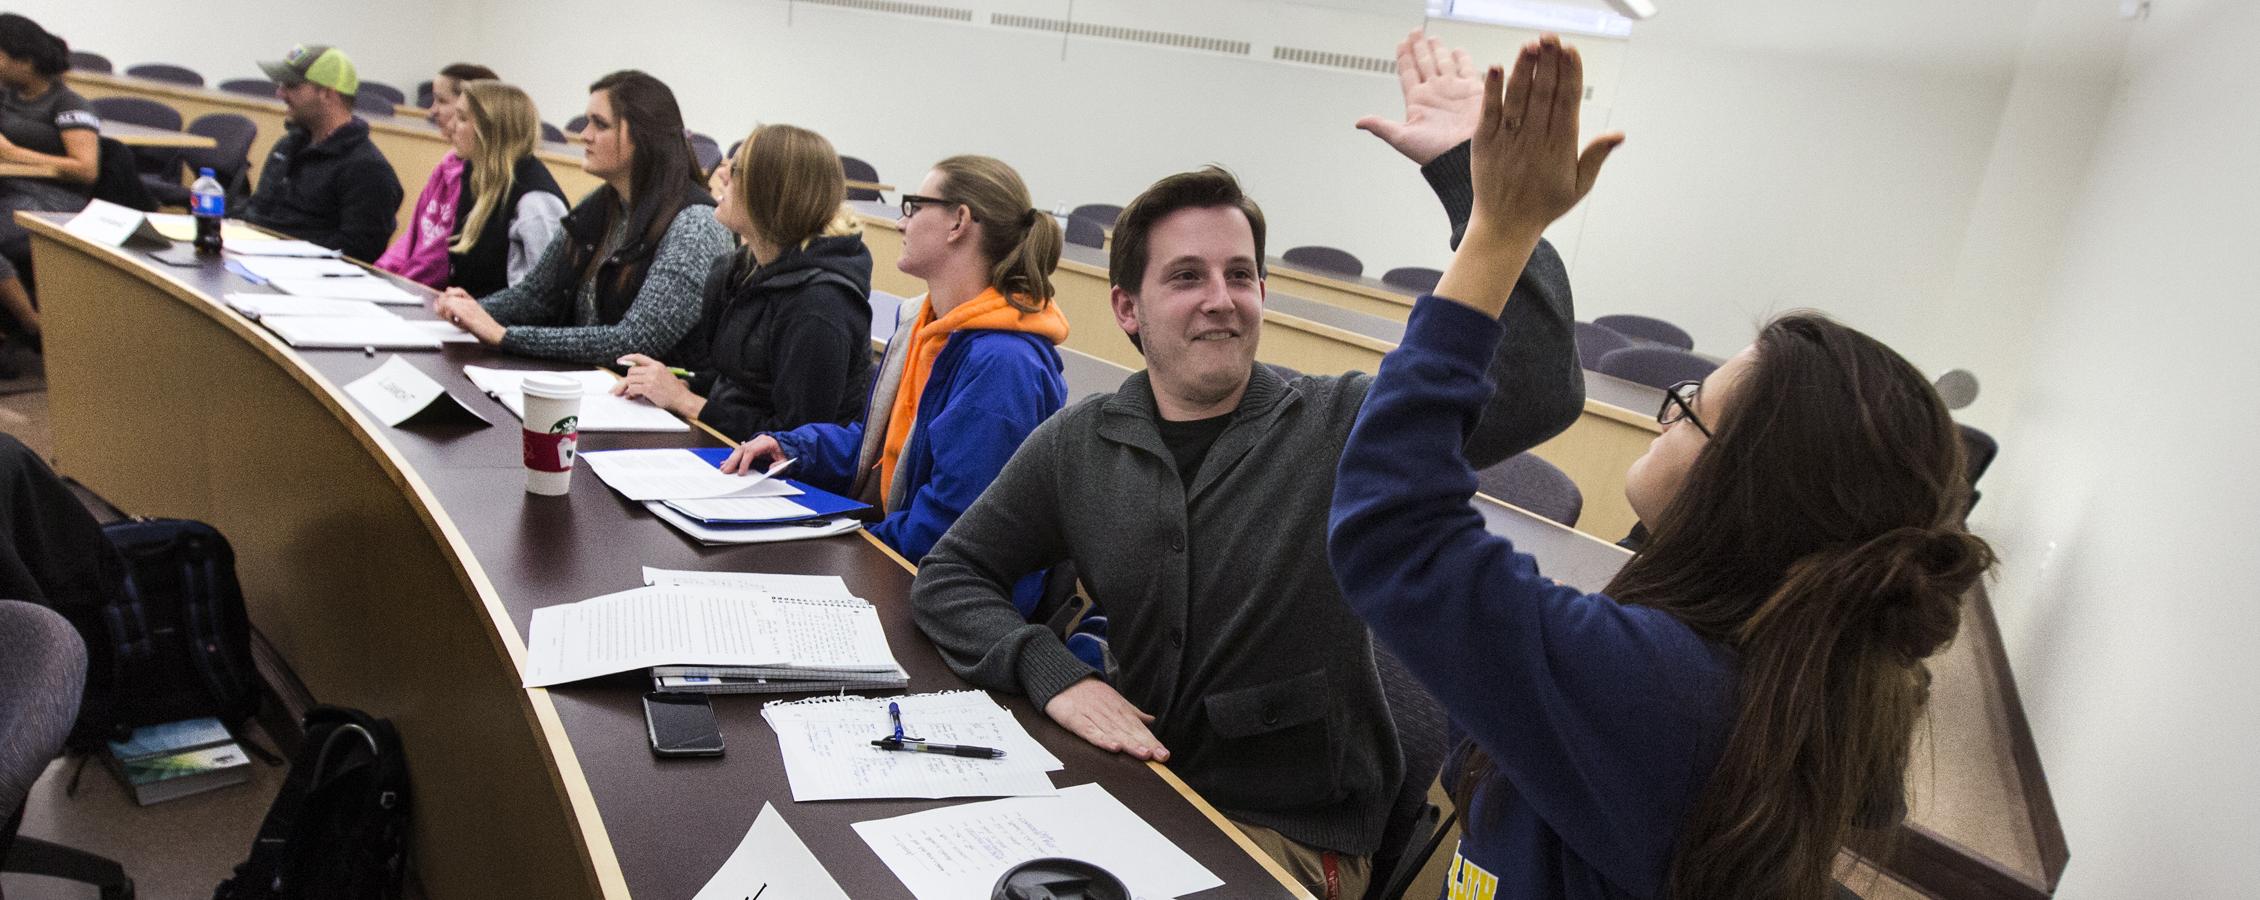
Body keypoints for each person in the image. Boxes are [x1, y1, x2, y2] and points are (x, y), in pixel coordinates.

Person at [1327, 35, 1994, 900]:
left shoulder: (1662, 693)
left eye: (1693, 413)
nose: (1665, 412)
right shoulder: (1795, 676)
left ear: (1744, 498)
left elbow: (1391, 528)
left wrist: (1498, 225)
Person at [905, 52, 1586, 896]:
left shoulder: (1346, 426)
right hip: (1138, 791)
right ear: (1127, 309)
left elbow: (1536, 392)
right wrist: (1052, 671)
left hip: (1288, 839)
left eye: (1239, 276)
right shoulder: (1082, 441)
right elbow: (950, 575)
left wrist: (1478, 192)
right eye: (1185, 277)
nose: (1219, 298)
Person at [720, 155, 1068, 613]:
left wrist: (838, 547)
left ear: (958, 222)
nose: (901, 223)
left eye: (913, 206)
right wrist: (793, 448)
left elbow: (947, 528)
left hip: (951, 607)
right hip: (899, 565)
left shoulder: (1003, 365)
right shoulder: (926, 327)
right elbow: (881, 451)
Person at [431, 70, 728, 365]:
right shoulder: (602, 203)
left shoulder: (696, 224)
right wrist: (472, 311)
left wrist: (504, 336)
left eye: (599, 124)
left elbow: (635, 341)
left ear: (642, 136)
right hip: (593, 384)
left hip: (648, 404)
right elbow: (537, 295)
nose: (584, 135)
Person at [614, 124, 872, 441]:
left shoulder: (820, 305)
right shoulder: (740, 268)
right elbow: (735, 382)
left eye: (735, 169)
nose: (721, 174)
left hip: (780, 482)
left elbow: (796, 441)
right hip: (729, 452)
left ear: (771, 191)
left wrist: (688, 402)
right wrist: (676, 384)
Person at [242, 44, 404, 263]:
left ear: (327, 93)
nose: (280, 92)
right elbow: (257, 210)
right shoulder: (288, 146)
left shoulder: (368, 169)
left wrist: (279, 249)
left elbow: (359, 252)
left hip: (306, 281)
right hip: (256, 261)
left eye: (291, 85)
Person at [0, 13, 97, 349]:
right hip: (9, 190)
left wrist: (15, 154)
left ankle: (34, 326)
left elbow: (86, 169)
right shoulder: (6, 95)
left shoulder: (68, 103)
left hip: (50, 202)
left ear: (24, 61)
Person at [374, 62, 499, 288]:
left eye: (441, 101)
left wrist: (399, 284)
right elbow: (412, 237)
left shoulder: (481, 177)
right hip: (406, 286)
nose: (432, 111)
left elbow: (439, 258)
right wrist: (379, 274)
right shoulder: (447, 164)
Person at [440, 80, 565, 297]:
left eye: (461, 118)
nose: (450, 127)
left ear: (489, 129)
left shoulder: (535, 200)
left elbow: (543, 298)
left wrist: (480, 313)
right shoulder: (476, 175)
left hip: (501, 328)